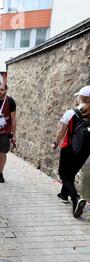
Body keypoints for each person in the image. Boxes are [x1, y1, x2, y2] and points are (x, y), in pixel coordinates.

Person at [52, 86, 90, 218]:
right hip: (85, 150)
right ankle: (64, 195)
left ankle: (76, 199)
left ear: (81, 98)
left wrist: (55, 143)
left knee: (64, 174)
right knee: (71, 172)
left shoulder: (71, 112)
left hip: (69, 147)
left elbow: (62, 132)